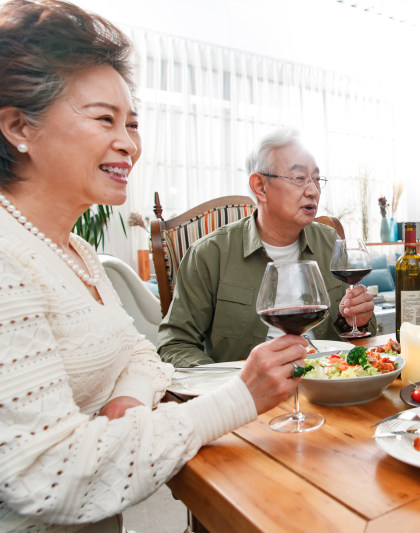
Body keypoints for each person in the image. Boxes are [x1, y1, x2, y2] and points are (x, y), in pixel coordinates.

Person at [0, 2, 308, 530]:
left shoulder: (71, 250)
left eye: (133, 123)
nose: (130, 143)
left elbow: (141, 354)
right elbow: (45, 474)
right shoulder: (9, 258)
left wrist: (126, 399)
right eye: (104, 119)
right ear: (17, 126)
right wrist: (238, 398)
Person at [157, 129, 376, 368]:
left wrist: (358, 319)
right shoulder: (210, 254)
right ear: (260, 186)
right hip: (249, 397)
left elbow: (358, 333)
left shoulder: (329, 241)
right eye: (299, 178)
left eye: (316, 179)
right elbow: (175, 345)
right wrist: (228, 388)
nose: (313, 190)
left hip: (326, 386)